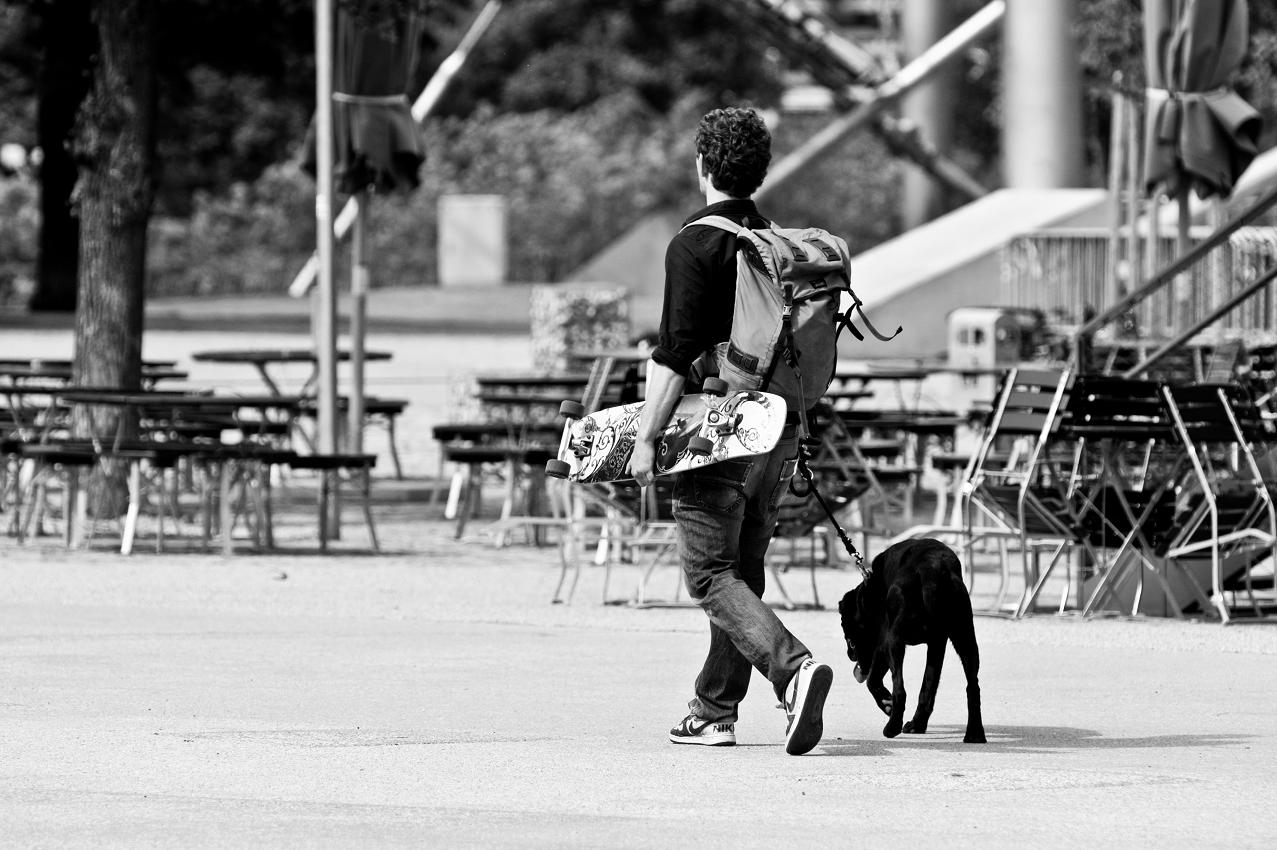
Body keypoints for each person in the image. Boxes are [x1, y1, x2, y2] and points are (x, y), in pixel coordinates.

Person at [626, 106, 834, 756]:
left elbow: (672, 355)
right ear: (759, 172)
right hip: (781, 427)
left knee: (708, 574)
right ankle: (713, 710)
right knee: (741, 568)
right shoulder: (773, 242)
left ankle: (792, 669)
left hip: (724, 427)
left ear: (702, 167)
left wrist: (642, 439)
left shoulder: (696, 243)